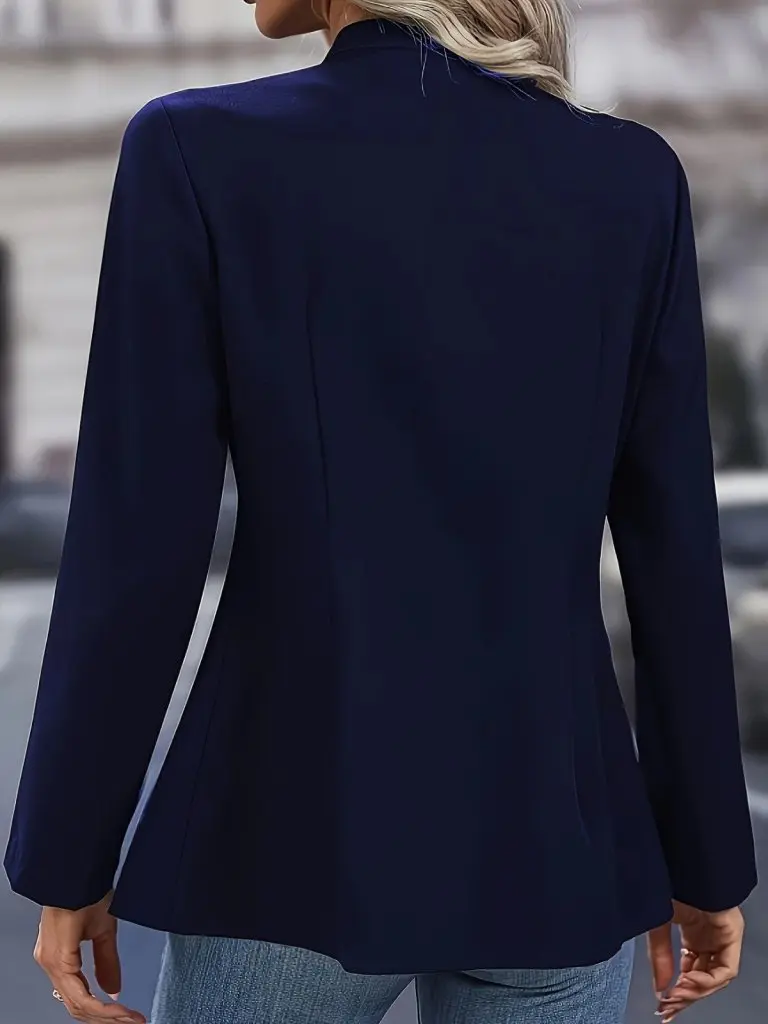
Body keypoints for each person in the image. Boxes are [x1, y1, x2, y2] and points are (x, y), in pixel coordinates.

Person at [4, 1, 757, 1022]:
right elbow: (674, 553)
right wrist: (707, 859)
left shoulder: (197, 149)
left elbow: (136, 546)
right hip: (553, 843)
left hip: (292, 838)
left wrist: (70, 852)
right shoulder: (630, 178)